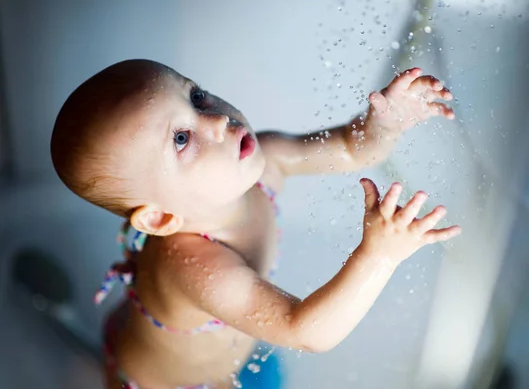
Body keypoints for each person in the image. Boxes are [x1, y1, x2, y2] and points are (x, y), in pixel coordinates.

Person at [50, 59, 461, 389]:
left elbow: (351, 149)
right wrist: (379, 256)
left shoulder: (266, 160)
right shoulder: (196, 265)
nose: (216, 121)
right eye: (181, 139)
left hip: (217, 351)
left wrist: (384, 123)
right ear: (159, 218)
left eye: (196, 96)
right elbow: (305, 332)